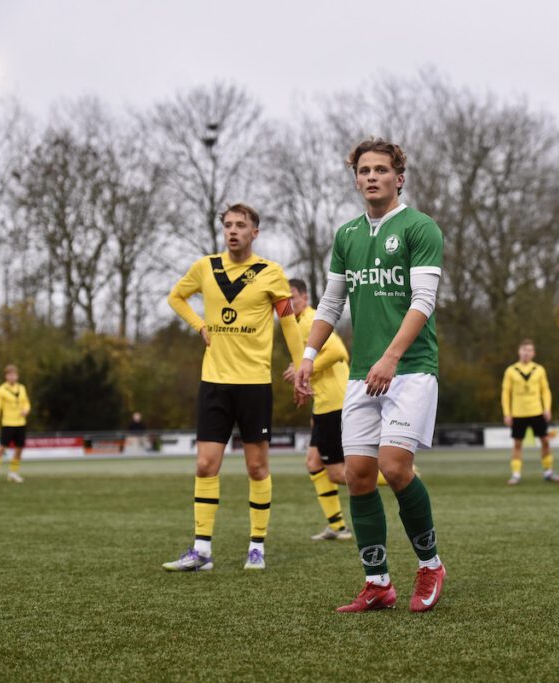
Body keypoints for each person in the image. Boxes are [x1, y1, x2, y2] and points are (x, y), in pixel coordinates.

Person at [295, 137, 446, 613]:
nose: (372, 177)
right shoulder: (347, 235)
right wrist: (307, 355)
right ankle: (377, 582)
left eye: (381, 169)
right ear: (356, 179)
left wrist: (391, 357)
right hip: (363, 375)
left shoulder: (420, 227)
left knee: (394, 467)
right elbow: (331, 303)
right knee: (358, 476)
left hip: (411, 369)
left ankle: (430, 566)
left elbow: (424, 301)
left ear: (399, 177)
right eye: (364, 171)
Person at [163, 203, 305, 572]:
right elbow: (176, 297)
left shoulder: (271, 273)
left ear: (254, 232)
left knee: (256, 467)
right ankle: (202, 551)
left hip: (254, 384)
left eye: (241, 225)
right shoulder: (205, 267)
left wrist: (301, 364)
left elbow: (289, 323)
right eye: (228, 224)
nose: (233, 230)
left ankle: (256, 546)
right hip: (214, 382)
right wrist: (199, 325)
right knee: (205, 464)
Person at [282, 278, 353, 541]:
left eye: (293, 297)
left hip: (335, 402)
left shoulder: (311, 320)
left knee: (337, 473)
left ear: (305, 298)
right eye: (284, 299)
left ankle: (395, 475)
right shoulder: (297, 324)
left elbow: (338, 351)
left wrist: (305, 368)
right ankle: (338, 527)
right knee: (313, 462)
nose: (289, 303)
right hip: (323, 402)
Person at [501, 339, 559, 485]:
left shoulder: (539, 369)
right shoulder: (511, 370)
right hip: (518, 413)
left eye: (529, 350)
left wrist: (547, 408)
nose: (526, 353)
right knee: (517, 443)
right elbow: (505, 393)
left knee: (545, 441)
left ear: (533, 353)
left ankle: (548, 472)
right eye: (524, 350)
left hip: (537, 411)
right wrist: (507, 413)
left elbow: (545, 390)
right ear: (519, 351)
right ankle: (516, 474)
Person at [0, 364, 31, 483]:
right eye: (10, 375)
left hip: (21, 423)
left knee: (19, 449)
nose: (12, 377)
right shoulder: (0, 390)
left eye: (14, 375)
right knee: (2, 447)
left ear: (17, 376)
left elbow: (27, 403)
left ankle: (13, 473)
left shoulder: (22, 388)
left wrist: (26, 410)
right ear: (6, 376)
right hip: (8, 423)